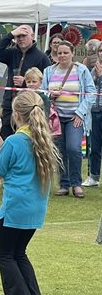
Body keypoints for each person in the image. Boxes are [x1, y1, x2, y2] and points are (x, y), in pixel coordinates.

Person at [0, 90, 60, 295]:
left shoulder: (15, 141)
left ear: (16, 115)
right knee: (19, 253)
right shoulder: (42, 140)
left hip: (15, 207)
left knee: (4, 254)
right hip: (35, 208)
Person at [42, 40, 94, 198]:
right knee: (60, 151)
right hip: (56, 118)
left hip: (74, 117)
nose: (62, 55)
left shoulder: (82, 70)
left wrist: (80, 113)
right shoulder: (48, 71)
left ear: (72, 53)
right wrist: (51, 94)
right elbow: (42, 93)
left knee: (73, 148)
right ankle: (64, 184)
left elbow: (91, 93)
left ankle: (76, 183)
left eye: (65, 52)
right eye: (59, 53)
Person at [0, 25, 50, 139]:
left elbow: (47, 83)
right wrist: (10, 34)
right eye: (18, 36)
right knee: (5, 138)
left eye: (24, 35)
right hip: (9, 104)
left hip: (28, 107)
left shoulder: (42, 57)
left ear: (32, 36)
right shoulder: (12, 53)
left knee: (25, 138)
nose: (21, 39)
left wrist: (26, 82)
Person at [84, 53, 102, 188]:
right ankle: (94, 176)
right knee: (94, 147)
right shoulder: (93, 69)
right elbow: (89, 88)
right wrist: (96, 76)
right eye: (100, 50)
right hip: (95, 111)